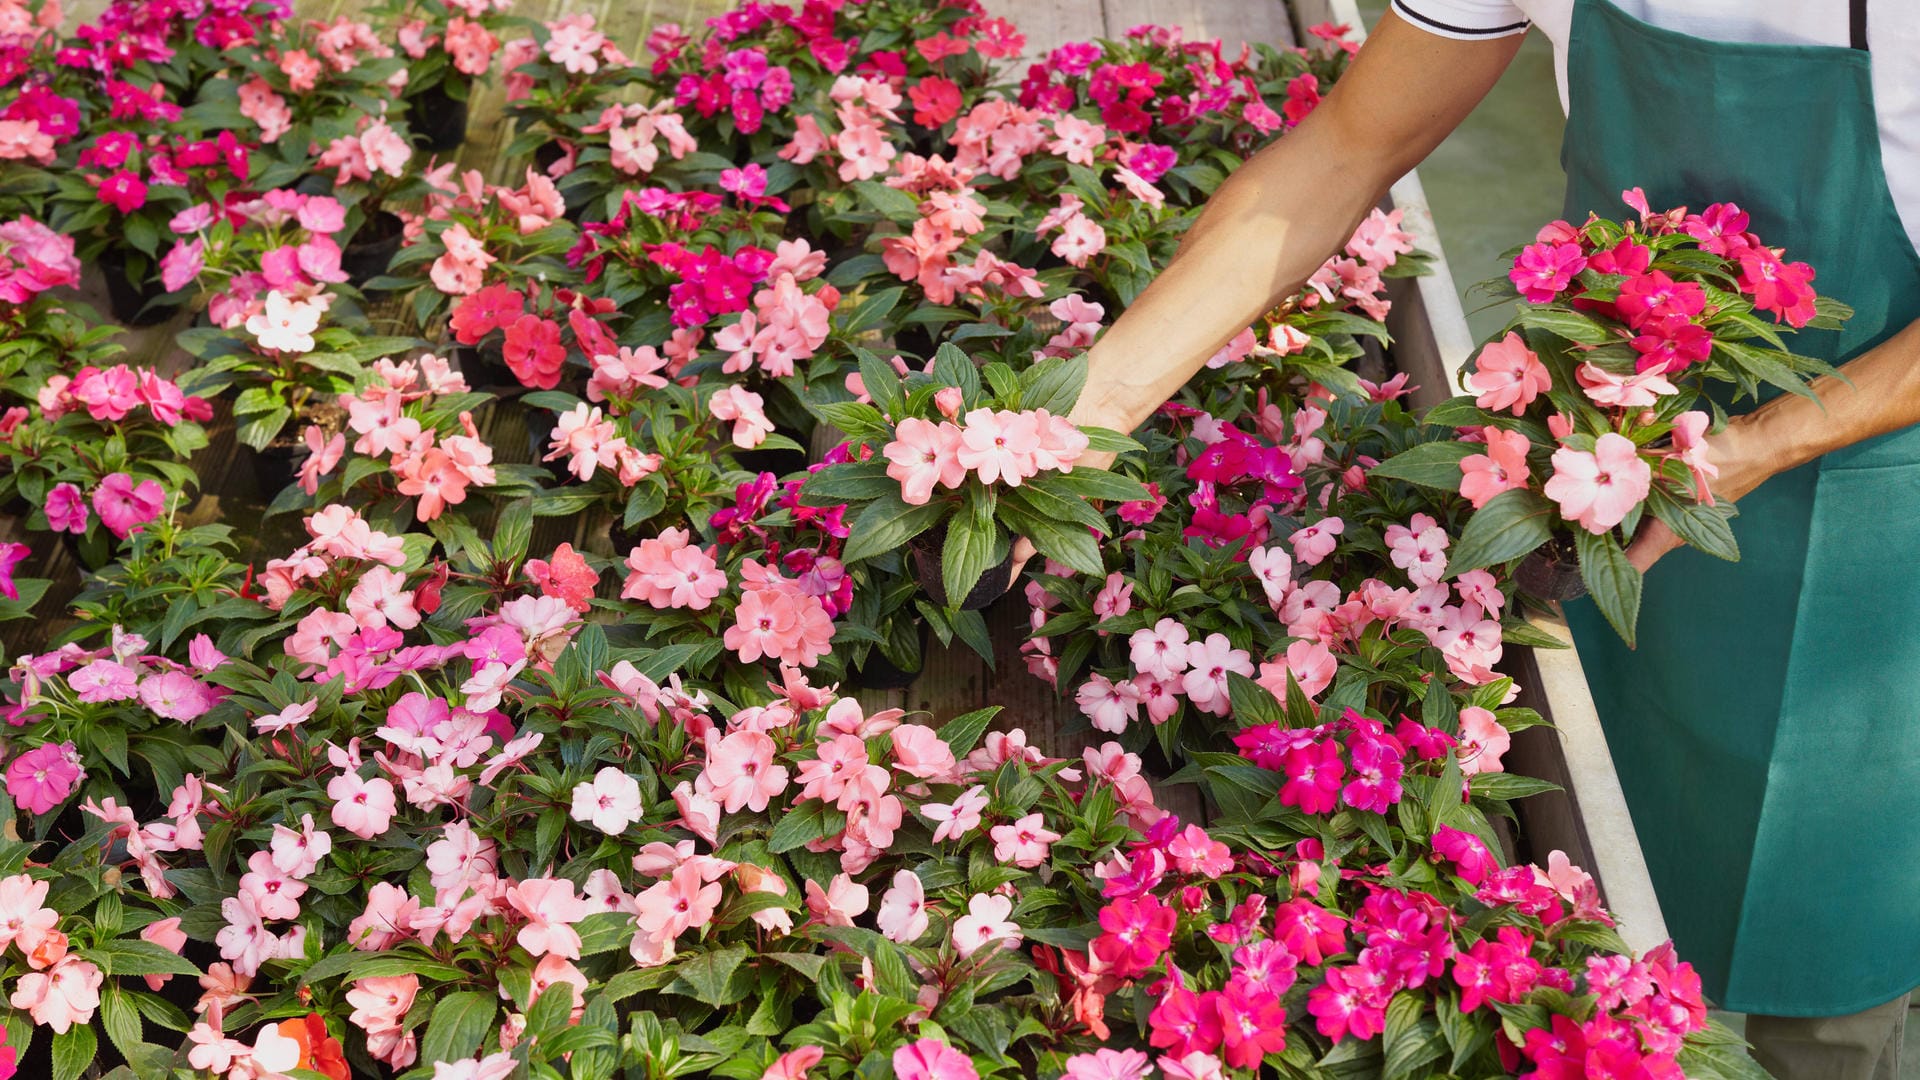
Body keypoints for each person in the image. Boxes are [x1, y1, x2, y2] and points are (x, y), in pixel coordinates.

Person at [1059, 2, 1920, 1077]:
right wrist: (1086, 415)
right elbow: (1348, 145)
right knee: (1613, 863)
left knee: (1830, 957)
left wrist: (1757, 446)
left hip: (1870, 503)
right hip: (1616, 470)